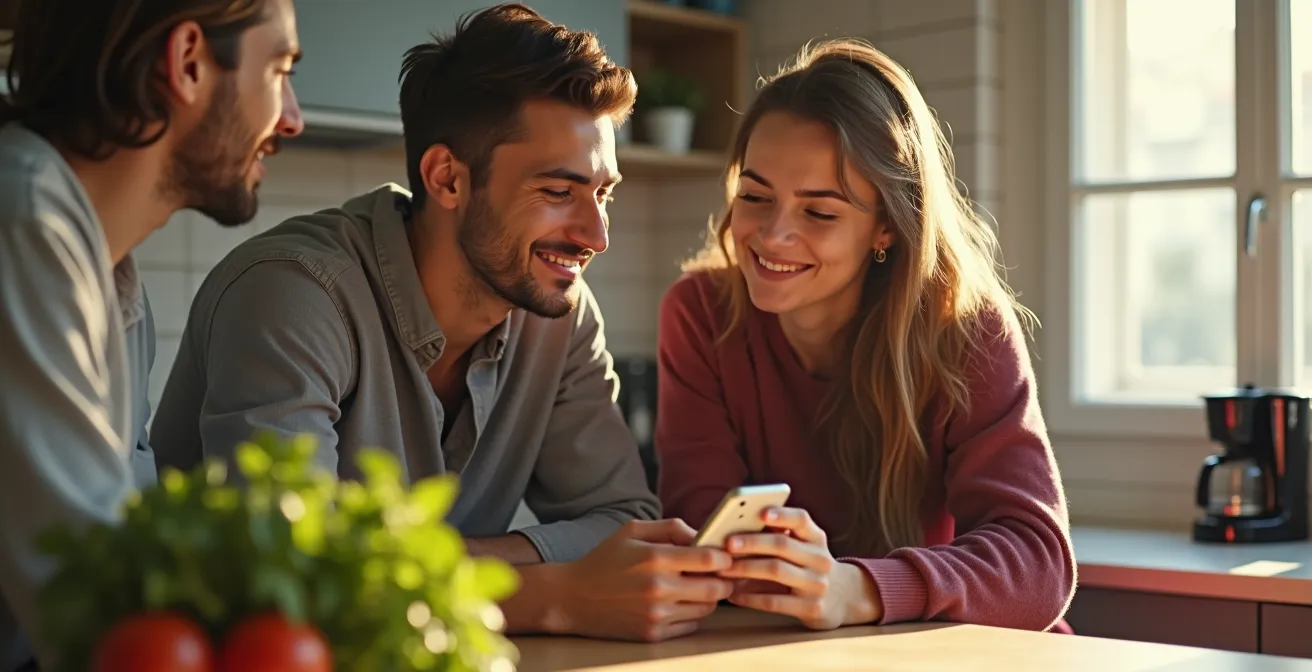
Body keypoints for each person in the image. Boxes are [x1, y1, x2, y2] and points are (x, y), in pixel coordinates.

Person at [151, 3, 732, 644]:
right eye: (559, 192)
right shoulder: (293, 295)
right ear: (447, 178)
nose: (596, 235)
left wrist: (454, 563)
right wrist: (553, 595)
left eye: (604, 193)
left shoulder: (559, 314)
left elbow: (622, 521)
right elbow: (286, 576)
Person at [655, 38, 1077, 633]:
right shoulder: (700, 315)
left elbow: (1039, 568)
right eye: (754, 197)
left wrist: (856, 589)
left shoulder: (965, 327)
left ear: (885, 226)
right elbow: (704, 538)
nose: (772, 235)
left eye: (819, 212)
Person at [0, 0, 304, 668]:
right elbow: (98, 614)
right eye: (279, 70)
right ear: (188, 62)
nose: (292, 118)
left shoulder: (107, 273)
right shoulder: (22, 222)